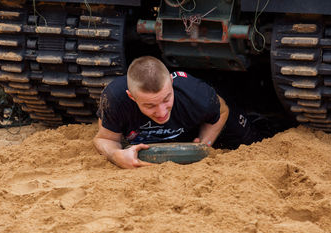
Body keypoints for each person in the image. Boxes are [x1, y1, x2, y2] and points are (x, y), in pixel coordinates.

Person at [93, 56, 261, 169]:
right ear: (132, 97)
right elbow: (104, 138)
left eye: (166, 99)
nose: (161, 112)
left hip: (195, 127)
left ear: (172, 85)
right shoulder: (115, 98)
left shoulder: (194, 93)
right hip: (145, 141)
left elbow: (223, 111)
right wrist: (116, 155)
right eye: (150, 105)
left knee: (248, 136)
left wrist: (205, 144)